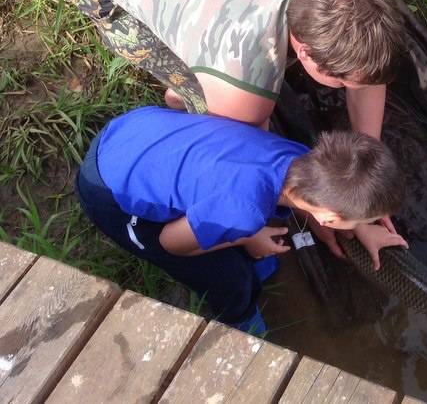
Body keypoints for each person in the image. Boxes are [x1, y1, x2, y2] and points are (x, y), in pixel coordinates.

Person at [37, 0, 407, 247]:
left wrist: (364, 172)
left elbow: (368, 74)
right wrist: (320, 209)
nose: (357, 88)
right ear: (303, 52)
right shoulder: (241, 77)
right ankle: (187, 93)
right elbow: (243, 157)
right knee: (195, 96)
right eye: (343, 82)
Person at [75, 106, 407, 334]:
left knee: (240, 230)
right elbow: (171, 244)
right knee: (229, 277)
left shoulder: (300, 157)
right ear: (329, 217)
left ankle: (249, 255)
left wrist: (360, 225)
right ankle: (245, 326)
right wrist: (245, 237)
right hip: (109, 192)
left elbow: (308, 196)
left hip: (133, 132)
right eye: (367, 220)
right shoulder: (243, 209)